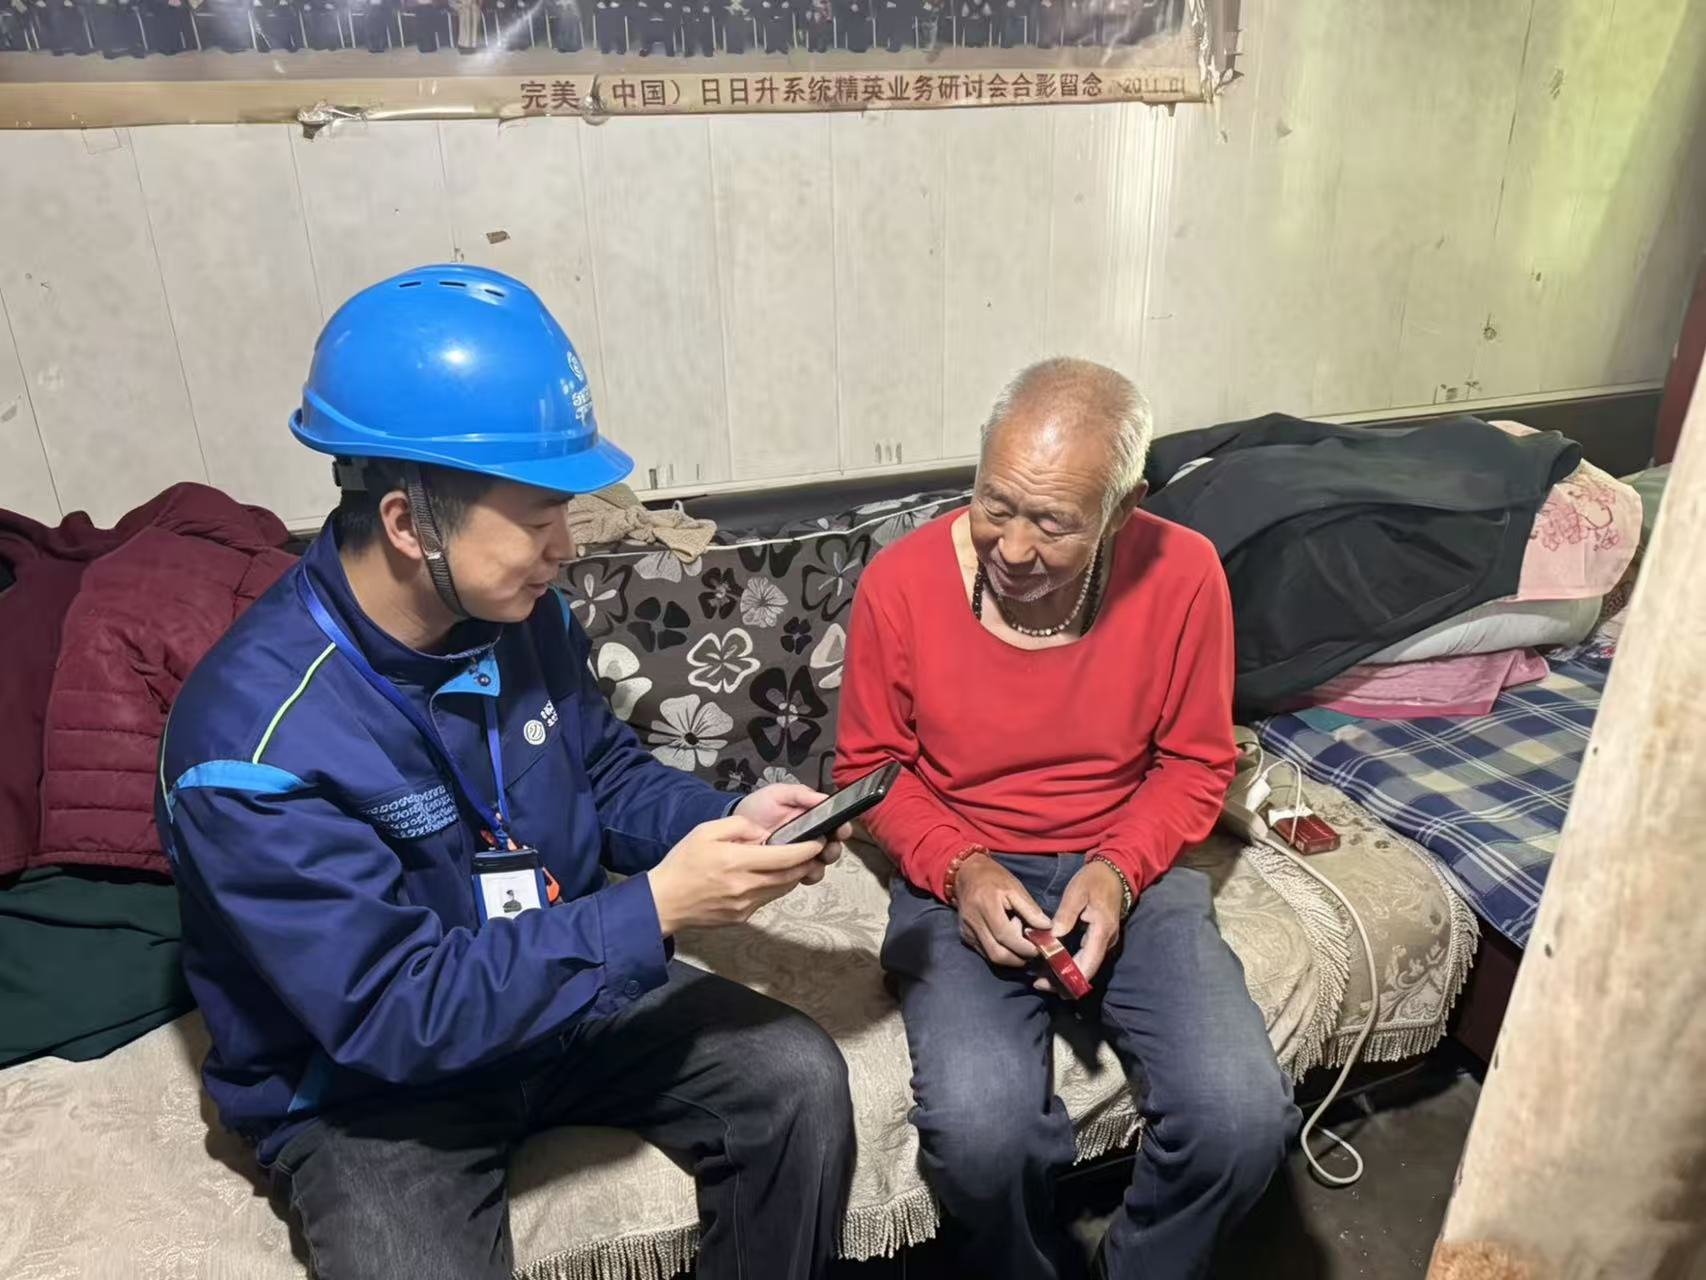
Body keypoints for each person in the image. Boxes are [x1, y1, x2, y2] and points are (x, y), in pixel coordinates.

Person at [156, 264, 855, 1280]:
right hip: (370, 1086)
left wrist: (729, 821)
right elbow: (393, 1012)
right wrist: (657, 907)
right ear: (408, 523)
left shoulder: (521, 617)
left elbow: (602, 773)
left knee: (796, 1078)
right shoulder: (250, 746)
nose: (565, 547)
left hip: (555, 995)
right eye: (537, 517)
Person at [836, 358, 1297, 1280]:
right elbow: (870, 772)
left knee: (1241, 1120)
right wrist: (962, 866)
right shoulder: (901, 582)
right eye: (994, 505)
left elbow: (1196, 762)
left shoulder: (1184, 574)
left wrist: (1118, 870)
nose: (1011, 548)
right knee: (982, 1139)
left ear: (1123, 509)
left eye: (1052, 523)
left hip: (1127, 864)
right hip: (960, 872)